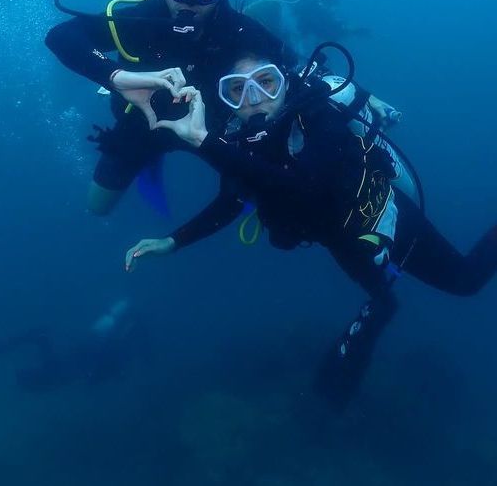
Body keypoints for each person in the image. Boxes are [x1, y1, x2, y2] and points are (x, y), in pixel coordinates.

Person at [125, 44, 497, 408]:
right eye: (238, 89)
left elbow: (306, 187)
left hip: (381, 214)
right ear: (226, 99)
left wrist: (206, 142)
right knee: (383, 301)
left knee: (464, 281)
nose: (254, 98)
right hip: (340, 239)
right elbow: (230, 201)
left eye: (266, 82)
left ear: (285, 84)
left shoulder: (320, 118)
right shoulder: (237, 142)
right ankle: (334, 391)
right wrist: (173, 241)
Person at [46, 0, 286, 215]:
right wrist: (114, 76)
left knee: (266, 196)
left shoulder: (242, 33)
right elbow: (61, 36)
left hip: (211, 132)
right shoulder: (143, 18)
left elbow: (289, 70)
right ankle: (150, 161)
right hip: (141, 124)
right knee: (98, 207)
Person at [0, 299, 150, 391]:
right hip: (84, 360)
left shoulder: (120, 348)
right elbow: (107, 362)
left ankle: (40, 339)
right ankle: (41, 338)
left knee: (55, 371)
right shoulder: (121, 351)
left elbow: (106, 362)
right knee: (55, 372)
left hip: (84, 358)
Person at [244, 0, 370, 60]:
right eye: (331, 7)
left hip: (262, 24)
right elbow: (326, 30)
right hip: (272, 30)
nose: (332, 10)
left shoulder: (304, 3)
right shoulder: (312, 8)